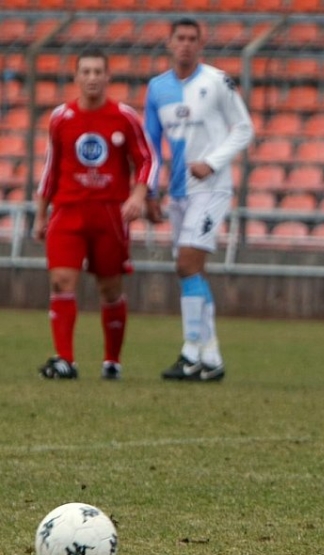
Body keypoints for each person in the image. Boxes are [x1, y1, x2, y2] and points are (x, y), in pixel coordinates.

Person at [34, 47, 158, 381]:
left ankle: (112, 361)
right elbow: (51, 168)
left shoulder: (124, 116)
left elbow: (147, 159)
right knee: (61, 280)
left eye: (97, 72)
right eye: (85, 72)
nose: (91, 78)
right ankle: (65, 360)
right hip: (68, 211)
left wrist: (138, 194)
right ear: (76, 77)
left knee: (110, 288)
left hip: (108, 215)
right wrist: (41, 213)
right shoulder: (61, 117)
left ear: (107, 77)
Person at [144, 17, 254, 382]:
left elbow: (244, 128)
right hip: (177, 192)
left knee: (187, 264)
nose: (186, 44)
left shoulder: (217, 81)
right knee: (192, 271)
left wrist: (213, 162)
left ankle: (191, 353)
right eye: (181, 38)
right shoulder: (157, 89)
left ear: (200, 44)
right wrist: (149, 190)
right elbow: (151, 148)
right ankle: (212, 357)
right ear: (169, 44)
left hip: (211, 188)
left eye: (193, 39)